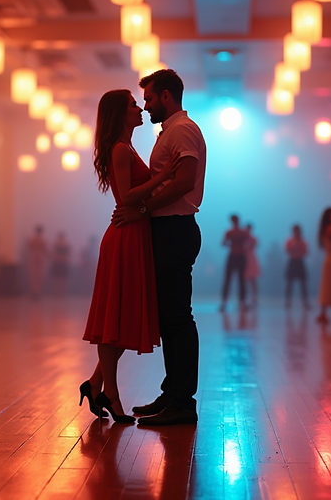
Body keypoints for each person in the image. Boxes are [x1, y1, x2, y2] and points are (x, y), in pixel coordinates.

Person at [112, 69, 206, 426]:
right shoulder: (173, 131)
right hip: (169, 229)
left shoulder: (181, 130)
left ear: (166, 97)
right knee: (170, 316)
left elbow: (184, 181)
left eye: (149, 98)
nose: (146, 105)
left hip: (174, 229)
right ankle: (173, 394)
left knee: (178, 317)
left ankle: (182, 401)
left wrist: (143, 207)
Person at [81, 89, 180, 424]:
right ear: (119, 114)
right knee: (116, 319)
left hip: (133, 235)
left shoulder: (125, 147)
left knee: (123, 318)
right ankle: (111, 392)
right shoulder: (121, 149)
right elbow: (125, 198)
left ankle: (98, 385)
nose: (140, 108)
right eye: (132, 106)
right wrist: (165, 176)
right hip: (125, 236)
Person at [219, 214, 249, 311]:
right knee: (231, 280)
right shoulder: (234, 232)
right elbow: (224, 243)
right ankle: (226, 303)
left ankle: (241, 303)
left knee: (239, 280)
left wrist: (233, 244)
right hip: (235, 256)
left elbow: (223, 243)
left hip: (238, 256)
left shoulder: (234, 232)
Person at [284, 224, 310, 310]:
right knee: (289, 284)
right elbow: (287, 250)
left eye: (297, 230)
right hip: (292, 262)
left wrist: (297, 249)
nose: (296, 232)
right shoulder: (290, 240)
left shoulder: (303, 241)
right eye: (295, 230)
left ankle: (305, 303)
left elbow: (306, 251)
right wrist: (295, 248)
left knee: (303, 284)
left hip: (300, 262)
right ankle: (288, 302)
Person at [26, 226, 48, 299]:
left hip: (33, 257)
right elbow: (45, 251)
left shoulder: (32, 240)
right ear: (41, 232)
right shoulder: (42, 240)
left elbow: (29, 248)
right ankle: (37, 293)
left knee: (33, 276)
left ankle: (34, 293)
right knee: (39, 276)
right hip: (40, 258)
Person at [243, 223, 260, 308]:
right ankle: (244, 299)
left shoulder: (253, 238)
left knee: (253, 281)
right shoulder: (242, 238)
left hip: (251, 260)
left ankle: (254, 298)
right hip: (244, 259)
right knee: (244, 281)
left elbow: (254, 245)